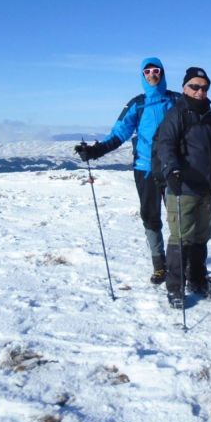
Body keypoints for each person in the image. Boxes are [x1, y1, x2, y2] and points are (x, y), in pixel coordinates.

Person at [75, 57, 179, 284]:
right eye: (147, 71)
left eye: (156, 70)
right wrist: (95, 151)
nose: (152, 74)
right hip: (145, 169)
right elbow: (119, 133)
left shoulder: (176, 101)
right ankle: (159, 264)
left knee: (178, 218)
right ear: (143, 76)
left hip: (173, 170)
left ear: (163, 73)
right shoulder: (137, 104)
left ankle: (179, 263)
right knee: (151, 217)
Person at [155, 67, 211, 309]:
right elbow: (165, 144)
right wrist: (172, 170)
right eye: (194, 86)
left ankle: (196, 279)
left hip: (206, 187)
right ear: (185, 87)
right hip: (183, 186)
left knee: (201, 237)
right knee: (181, 238)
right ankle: (175, 287)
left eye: (204, 87)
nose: (199, 91)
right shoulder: (177, 114)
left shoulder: (209, 115)